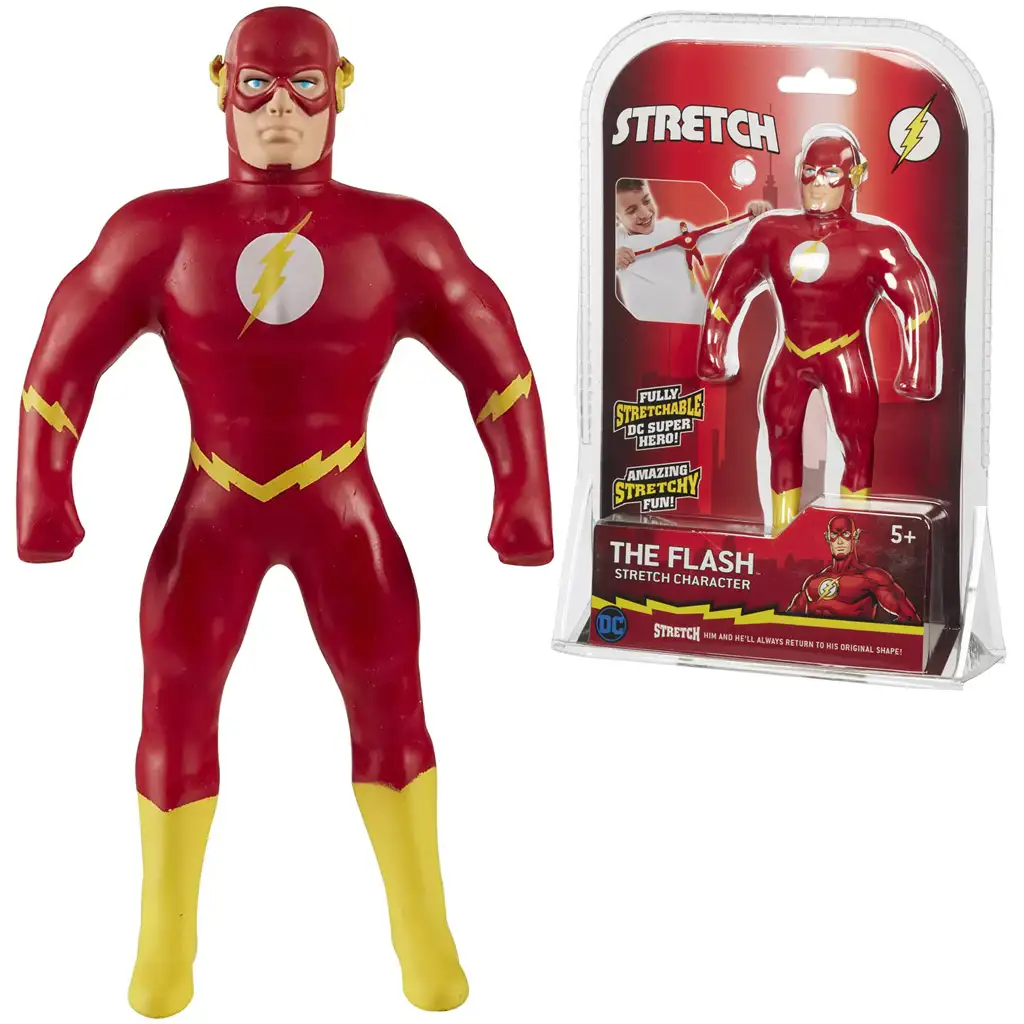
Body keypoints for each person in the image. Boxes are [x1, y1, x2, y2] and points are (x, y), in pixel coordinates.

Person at [16, 7, 552, 1017]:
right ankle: (164, 943)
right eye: (256, 85)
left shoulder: (399, 235)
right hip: (212, 509)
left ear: (341, 88)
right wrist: (45, 494)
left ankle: (424, 935)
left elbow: (497, 363)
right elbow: (61, 361)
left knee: (391, 701)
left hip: (339, 506)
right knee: (175, 701)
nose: (278, 111)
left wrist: (522, 497)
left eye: (303, 86)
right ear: (218, 84)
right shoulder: (160, 230)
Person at [697, 124, 941, 535]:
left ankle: (850, 535)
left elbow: (916, 301)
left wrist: (919, 370)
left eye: (830, 174)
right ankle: (780, 532)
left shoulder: (876, 240)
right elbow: (727, 289)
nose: (816, 184)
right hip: (791, 355)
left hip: (845, 356)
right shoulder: (773, 232)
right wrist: (713, 351)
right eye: (809, 172)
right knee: (780, 439)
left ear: (855, 177)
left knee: (856, 447)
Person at [614, 177, 771, 323]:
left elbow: (719, 241)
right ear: (616, 217)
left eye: (646, 201)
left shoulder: (675, 229)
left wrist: (753, 220)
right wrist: (610, 259)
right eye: (632, 210)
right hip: (648, 331)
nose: (644, 213)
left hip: (695, 322)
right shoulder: (613, 242)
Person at [787, 514, 919, 622]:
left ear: (855, 536)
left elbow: (910, 618)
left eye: (845, 534)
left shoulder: (871, 578)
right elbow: (787, 621)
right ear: (827, 537)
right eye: (834, 535)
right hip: (816, 644)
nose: (839, 541)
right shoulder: (812, 582)